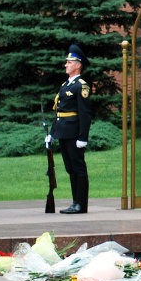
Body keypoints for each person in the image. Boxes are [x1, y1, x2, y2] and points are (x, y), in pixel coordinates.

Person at [45, 44, 92, 214]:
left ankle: (81, 204)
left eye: (70, 62)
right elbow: (59, 113)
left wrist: (83, 137)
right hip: (64, 132)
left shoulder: (81, 86)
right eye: (67, 62)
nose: (66, 65)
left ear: (78, 65)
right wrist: (51, 134)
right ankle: (75, 202)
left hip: (74, 134)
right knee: (70, 168)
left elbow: (84, 114)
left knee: (78, 168)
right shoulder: (65, 86)